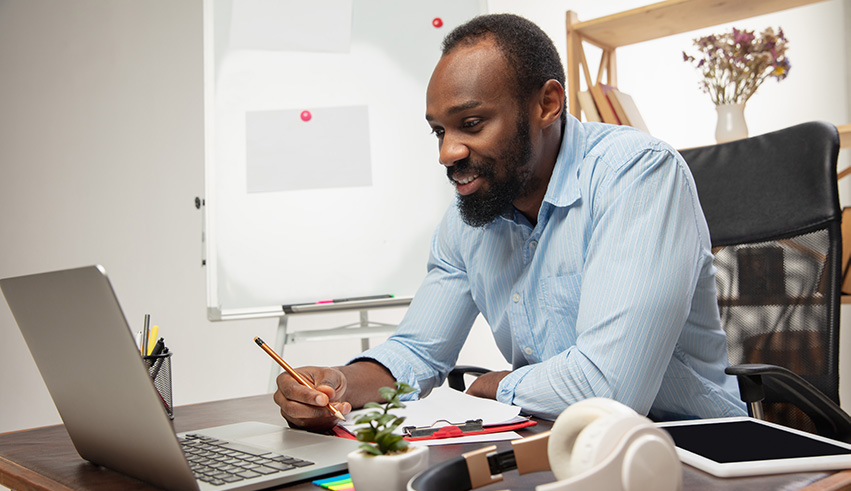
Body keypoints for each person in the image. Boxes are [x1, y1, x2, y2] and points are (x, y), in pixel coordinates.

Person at [273, 13, 746, 432]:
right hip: (556, 445)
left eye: (471, 124)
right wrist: (339, 385)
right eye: (440, 131)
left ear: (547, 104)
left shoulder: (636, 175)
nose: (447, 153)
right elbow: (417, 352)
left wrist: (499, 387)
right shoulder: (469, 218)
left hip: (690, 449)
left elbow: (611, 388)